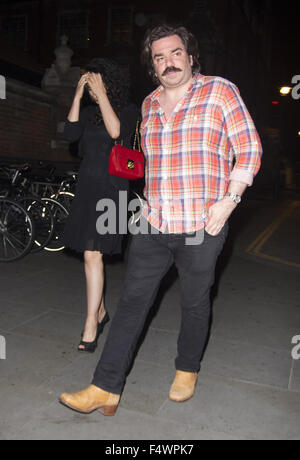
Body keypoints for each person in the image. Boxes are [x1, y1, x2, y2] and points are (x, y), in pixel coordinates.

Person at [60, 24, 262, 415]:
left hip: (203, 224)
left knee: (194, 301)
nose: (168, 62)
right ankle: (105, 387)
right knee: (132, 303)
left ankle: (187, 367)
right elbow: (147, 163)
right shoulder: (150, 104)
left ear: (190, 55)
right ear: (152, 66)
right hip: (154, 224)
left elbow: (249, 149)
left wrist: (228, 202)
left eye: (175, 53)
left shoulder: (220, 91)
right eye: (159, 57)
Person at [62, 58, 139, 353]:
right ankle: (102, 311)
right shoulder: (88, 111)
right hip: (87, 188)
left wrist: (102, 95)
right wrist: (79, 95)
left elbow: (116, 132)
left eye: (97, 83)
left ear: (110, 84)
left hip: (112, 191)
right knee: (90, 255)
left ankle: (90, 324)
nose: (94, 90)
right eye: (90, 84)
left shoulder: (129, 110)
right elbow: (69, 134)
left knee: (93, 256)